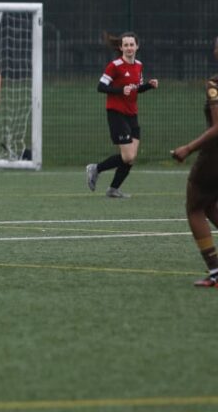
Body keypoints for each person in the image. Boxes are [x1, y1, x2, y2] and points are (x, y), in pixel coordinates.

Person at [85, 32, 158, 198]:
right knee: (128, 155)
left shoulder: (139, 65)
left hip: (132, 114)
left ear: (137, 46)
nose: (129, 48)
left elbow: (136, 88)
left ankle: (113, 189)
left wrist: (149, 86)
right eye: (126, 45)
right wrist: (119, 90)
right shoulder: (115, 65)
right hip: (116, 113)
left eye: (132, 45)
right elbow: (101, 87)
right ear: (121, 47)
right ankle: (96, 168)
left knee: (130, 158)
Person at [171, 37, 218, 287]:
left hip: (214, 157)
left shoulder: (215, 83)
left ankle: (215, 271)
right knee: (209, 204)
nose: (215, 49)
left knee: (195, 207)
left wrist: (187, 148)